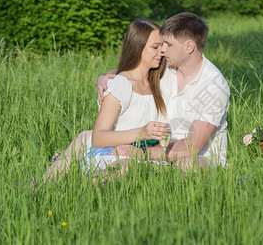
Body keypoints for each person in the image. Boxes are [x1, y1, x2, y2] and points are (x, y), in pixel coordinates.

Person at [98, 12, 230, 170]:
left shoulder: (214, 87)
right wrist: (105, 77)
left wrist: (144, 153)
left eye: (168, 44)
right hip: (154, 150)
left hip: (198, 158)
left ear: (189, 47)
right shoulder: (166, 67)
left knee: (188, 165)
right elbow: (133, 71)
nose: (162, 49)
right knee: (86, 138)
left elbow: (192, 147)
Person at [43, 19, 170, 182]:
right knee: (127, 166)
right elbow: (99, 138)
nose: (162, 51)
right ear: (138, 47)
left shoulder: (161, 80)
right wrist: (141, 133)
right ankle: (77, 187)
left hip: (146, 154)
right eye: (155, 47)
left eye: (163, 46)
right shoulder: (121, 85)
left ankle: (66, 164)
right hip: (113, 152)